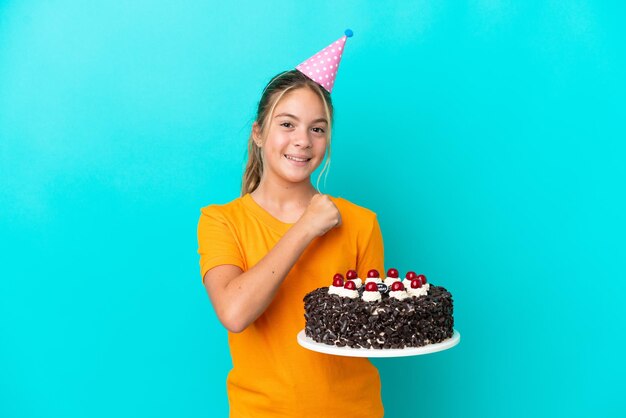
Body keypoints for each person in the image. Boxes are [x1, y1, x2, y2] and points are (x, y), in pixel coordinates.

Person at [197, 32, 385, 417]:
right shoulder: (221, 221)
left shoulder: (361, 223)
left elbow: (373, 331)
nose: (302, 140)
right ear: (259, 133)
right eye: (287, 124)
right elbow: (234, 313)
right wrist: (306, 228)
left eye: (316, 129)